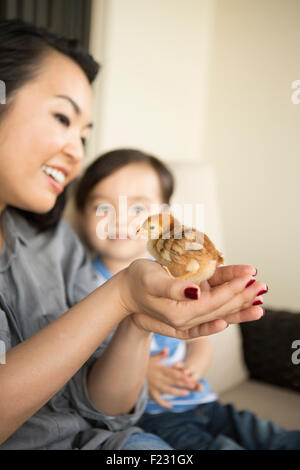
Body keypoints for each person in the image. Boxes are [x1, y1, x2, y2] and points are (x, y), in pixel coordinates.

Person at [0, 19, 265, 450]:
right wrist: (120, 296)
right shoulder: (90, 266)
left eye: (84, 135)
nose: (76, 151)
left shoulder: (56, 245)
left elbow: (107, 410)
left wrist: (139, 321)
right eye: (63, 117)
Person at [76, 149, 300, 450]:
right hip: (158, 413)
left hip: (204, 401)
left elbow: (198, 339)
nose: (120, 219)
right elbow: (87, 358)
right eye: (103, 207)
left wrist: (190, 370)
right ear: (81, 214)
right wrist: (144, 373)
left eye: (138, 207)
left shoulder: (175, 271)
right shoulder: (86, 284)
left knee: (272, 437)